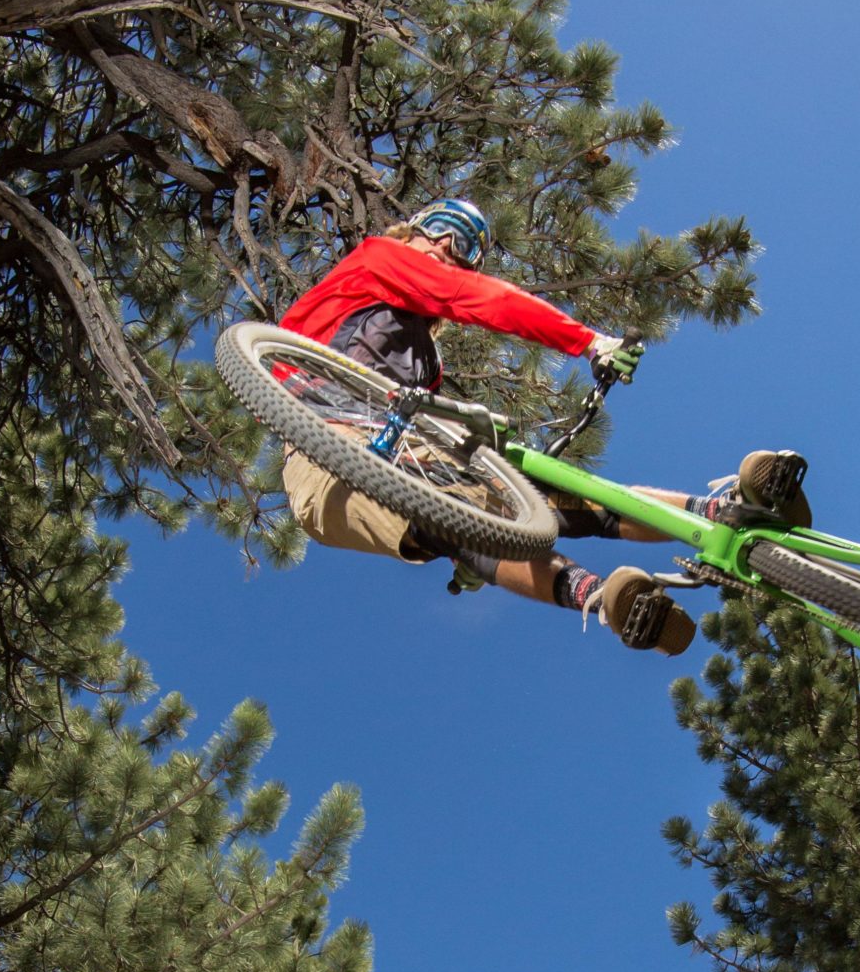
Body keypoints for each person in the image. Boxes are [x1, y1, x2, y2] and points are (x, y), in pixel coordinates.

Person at [279, 199, 809, 657]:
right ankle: (603, 599)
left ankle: (725, 510)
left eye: (463, 244)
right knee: (452, 517)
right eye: (439, 226)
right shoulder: (376, 260)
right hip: (325, 458)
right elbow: (478, 298)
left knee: (558, 500)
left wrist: (484, 534)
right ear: (410, 229)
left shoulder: (423, 363)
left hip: (405, 447)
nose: (445, 243)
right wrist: (588, 341)